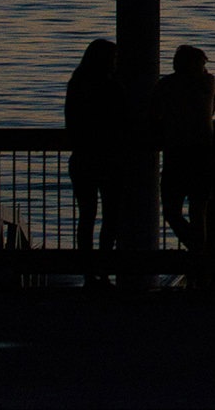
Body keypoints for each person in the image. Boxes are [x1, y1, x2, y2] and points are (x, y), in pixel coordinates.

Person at [152, 44, 215, 265]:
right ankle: (200, 256)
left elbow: (155, 113)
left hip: (176, 155)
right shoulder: (208, 83)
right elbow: (212, 110)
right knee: (198, 212)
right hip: (203, 154)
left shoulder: (166, 85)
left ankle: (197, 253)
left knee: (172, 212)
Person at [65, 38, 124, 287]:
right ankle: (104, 267)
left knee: (86, 215)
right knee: (111, 216)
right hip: (108, 159)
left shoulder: (77, 82)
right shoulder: (112, 86)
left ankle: (89, 270)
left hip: (82, 157)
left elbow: (71, 120)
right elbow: (123, 119)